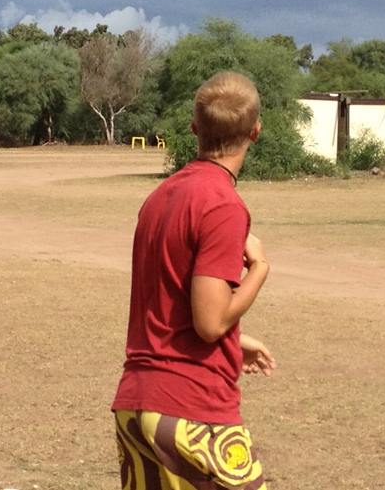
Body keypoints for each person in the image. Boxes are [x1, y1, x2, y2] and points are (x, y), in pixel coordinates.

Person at [112, 72, 276, 490]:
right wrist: (258, 270)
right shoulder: (222, 204)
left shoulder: (160, 197)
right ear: (255, 132)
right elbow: (210, 322)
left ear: (193, 129)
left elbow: (169, 298)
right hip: (191, 406)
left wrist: (235, 342)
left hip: (137, 404)